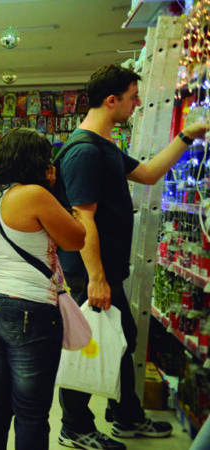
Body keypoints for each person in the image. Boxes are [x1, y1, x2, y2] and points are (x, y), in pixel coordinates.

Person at [57, 64, 209, 450]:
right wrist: (96, 278)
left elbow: (149, 173)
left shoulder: (103, 147)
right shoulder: (85, 151)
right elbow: (83, 218)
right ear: (112, 100)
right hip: (90, 271)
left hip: (104, 268)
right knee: (86, 343)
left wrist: (187, 136)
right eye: (133, 97)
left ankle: (125, 415)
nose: (137, 104)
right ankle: (74, 426)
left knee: (122, 336)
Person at [0, 127, 86, 449]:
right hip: (30, 307)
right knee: (31, 410)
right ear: (36, 161)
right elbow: (76, 238)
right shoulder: (35, 195)